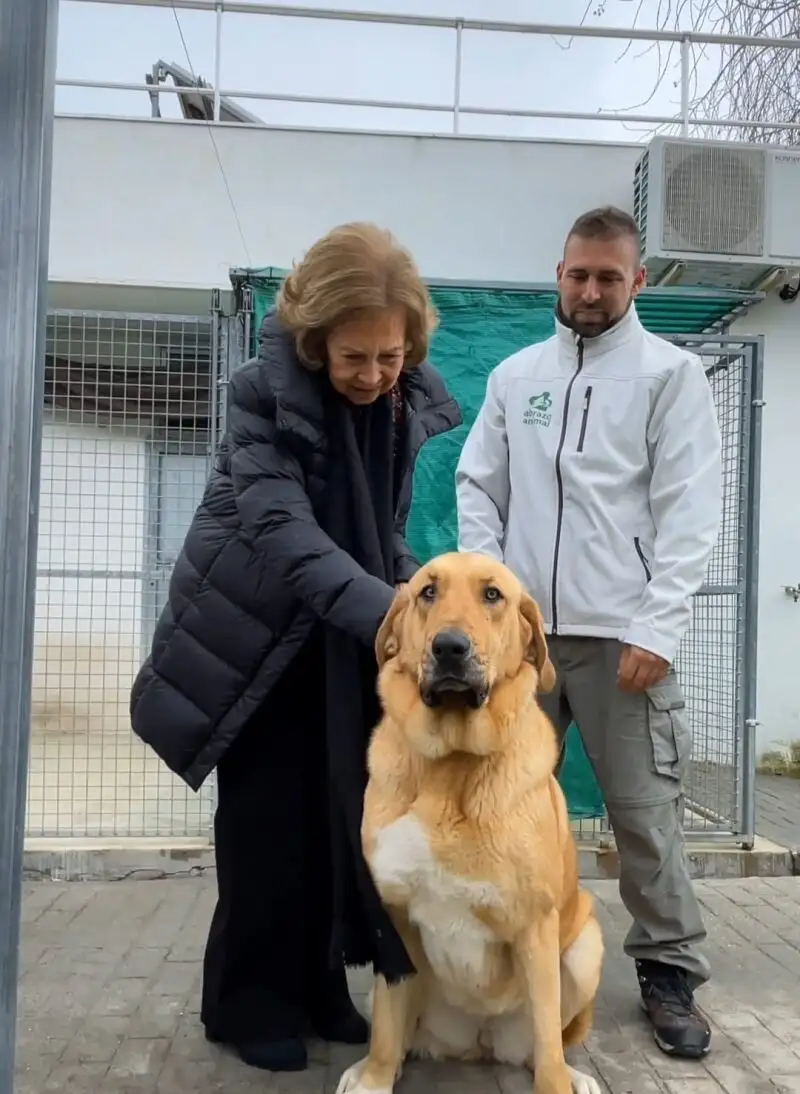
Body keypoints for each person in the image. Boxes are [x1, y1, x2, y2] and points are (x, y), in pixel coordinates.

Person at [130, 222, 461, 1072]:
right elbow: (289, 536)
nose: (374, 374)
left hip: (334, 645)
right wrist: (399, 618)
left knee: (339, 824)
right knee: (265, 831)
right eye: (354, 357)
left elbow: (378, 532)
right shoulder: (258, 396)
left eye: (389, 356)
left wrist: (423, 592)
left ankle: (320, 985)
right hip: (252, 639)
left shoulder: (394, 403)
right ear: (313, 342)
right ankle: (248, 1004)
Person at [455, 205, 722, 1061]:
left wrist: (659, 625)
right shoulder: (516, 376)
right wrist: (493, 602)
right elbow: (477, 487)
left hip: (622, 641)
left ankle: (669, 970)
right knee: (494, 803)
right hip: (521, 642)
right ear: (559, 273)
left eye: (610, 276)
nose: (592, 290)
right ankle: (489, 955)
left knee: (644, 811)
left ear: (637, 281)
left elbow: (690, 513)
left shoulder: (670, 376)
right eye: (579, 274)